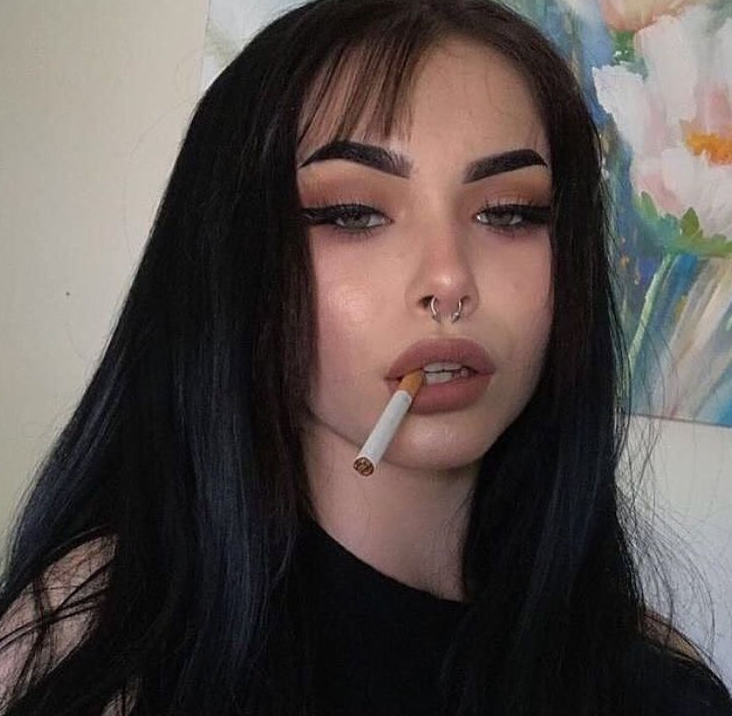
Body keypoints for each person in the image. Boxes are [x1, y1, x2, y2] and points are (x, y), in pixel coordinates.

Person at [0, 0, 730, 714]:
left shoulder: (657, 685)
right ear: (233, 259)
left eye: (509, 213)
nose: (448, 279)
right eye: (352, 214)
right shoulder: (98, 641)